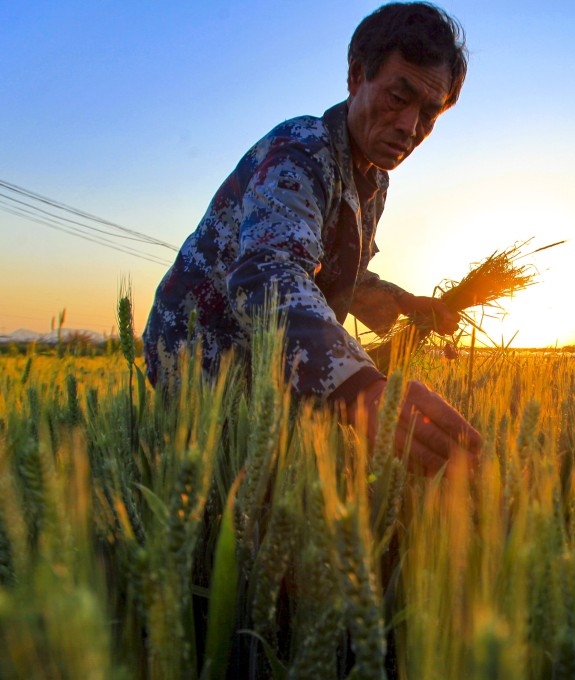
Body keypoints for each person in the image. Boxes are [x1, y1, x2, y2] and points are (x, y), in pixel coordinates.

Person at [143, 2, 481, 471]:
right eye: (398, 99)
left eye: (429, 113)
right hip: (200, 352)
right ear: (356, 76)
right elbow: (270, 272)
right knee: (227, 493)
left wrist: (404, 301)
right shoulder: (300, 152)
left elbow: (339, 274)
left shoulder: (374, 181)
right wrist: (361, 390)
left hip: (271, 361)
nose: (410, 128)